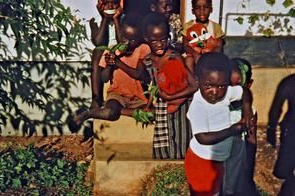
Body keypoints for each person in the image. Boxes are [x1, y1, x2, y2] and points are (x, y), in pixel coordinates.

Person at [184, 52, 254, 196]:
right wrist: (232, 130)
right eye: (208, 85)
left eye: (221, 86)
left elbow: (245, 92)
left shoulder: (226, 92)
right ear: (197, 81)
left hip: (218, 161)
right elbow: (202, 138)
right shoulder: (199, 106)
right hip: (202, 161)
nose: (215, 92)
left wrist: (247, 110)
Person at [69, 13, 151, 131]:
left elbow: (138, 74)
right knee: (109, 113)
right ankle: (87, 114)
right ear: (120, 34)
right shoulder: (112, 50)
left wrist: (118, 63)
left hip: (138, 97)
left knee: (151, 113)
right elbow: (104, 78)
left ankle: (120, 111)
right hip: (117, 95)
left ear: (139, 38)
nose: (127, 43)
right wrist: (109, 65)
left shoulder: (143, 49)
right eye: (124, 38)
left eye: (132, 39)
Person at [142, 13, 198, 159]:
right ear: (146, 39)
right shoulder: (147, 61)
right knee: (164, 146)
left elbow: (193, 86)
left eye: (163, 39)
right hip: (162, 109)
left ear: (168, 37)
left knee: (181, 139)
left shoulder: (175, 57)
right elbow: (150, 86)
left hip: (181, 105)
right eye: (154, 41)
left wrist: (171, 96)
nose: (159, 44)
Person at [222, 58, 259, 196]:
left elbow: (251, 142)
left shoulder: (251, 112)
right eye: (228, 84)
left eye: (238, 85)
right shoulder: (218, 106)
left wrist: (249, 175)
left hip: (238, 165)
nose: (232, 90)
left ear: (249, 84)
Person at [89, 0, 123, 111]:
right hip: (105, 51)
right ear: (100, 4)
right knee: (97, 52)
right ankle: (96, 98)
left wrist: (116, 19)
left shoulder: (124, 18)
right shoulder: (95, 21)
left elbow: (122, 42)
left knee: (102, 51)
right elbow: (98, 42)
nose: (110, 6)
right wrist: (104, 18)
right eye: (106, 3)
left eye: (114, 3)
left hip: (121, 48)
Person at [266, 73, 295, 196]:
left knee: (288, 173)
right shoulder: (289, 82)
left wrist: (271, 129)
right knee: (288, 173)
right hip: (291, 131)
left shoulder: (289, 81)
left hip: (291, 131)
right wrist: (271, 129)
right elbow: (276, 109)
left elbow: (276, 109)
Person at [182, 0, 225, 65]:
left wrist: (208, 57)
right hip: (193, 56)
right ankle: (191, 75)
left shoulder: (215, 26)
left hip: (211, 56)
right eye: (197, 8)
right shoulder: (188, 26)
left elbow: (218, 46)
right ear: (193, 11)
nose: (202, 11)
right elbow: (185, 45)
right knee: (189, 60)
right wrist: (195, 54)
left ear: (211, 9)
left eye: (206, 7)